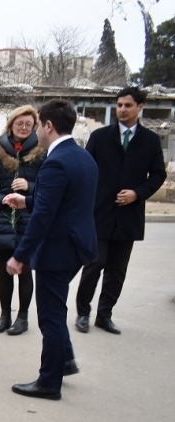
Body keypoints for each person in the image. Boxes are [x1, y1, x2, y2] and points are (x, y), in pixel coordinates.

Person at [4, 99, 98, 401]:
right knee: (56, 307)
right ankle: (65, 360)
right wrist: (27, 201)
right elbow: (65, 203)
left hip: (58, 250)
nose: (36, 132)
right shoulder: (83, 157)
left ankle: (49, 382)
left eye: (39, 126)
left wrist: (20, 255)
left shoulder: (56, 161)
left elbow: (45, 217)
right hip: (78, 246)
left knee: (50, 316)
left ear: (48, 126)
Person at [74, 87, 166, 335]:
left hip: (129, 216)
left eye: (128, 105)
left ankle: (105, 316)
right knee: (95, 263)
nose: (122, 110)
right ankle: (83, 312)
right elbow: (85, 168)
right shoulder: (101, 137)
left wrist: (138, 193)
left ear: (140, 107)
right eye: (119, 105)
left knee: (117, 269)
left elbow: (158, 174)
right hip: (99, 213)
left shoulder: (150, 141)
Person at [0, 105, 45, 336]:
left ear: (34, 126)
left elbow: (51, 185)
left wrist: (30, 187)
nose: (24, 128)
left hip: (30, 217)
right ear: (11, 125)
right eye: (20, 123)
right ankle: (4, 315)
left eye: (28, 124)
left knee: (24, 269)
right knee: (5, 269)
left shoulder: (42, 150)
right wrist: (0, 198)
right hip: (2, 218)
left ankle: (22, 317)